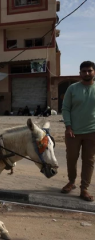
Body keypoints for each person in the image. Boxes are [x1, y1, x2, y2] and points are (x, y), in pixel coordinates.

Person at [61, 61, 95, 202]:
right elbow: (65, 108)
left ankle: (84, 188)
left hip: (92, 132)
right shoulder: (73, 89)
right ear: (80, 73)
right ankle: (71, 182)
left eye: (89, 71)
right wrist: (68, 127)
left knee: (89, 160)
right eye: (84, 71)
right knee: (71, 158)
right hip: (73, 132)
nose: (86, 73)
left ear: (94, 72)